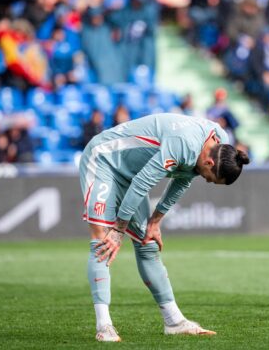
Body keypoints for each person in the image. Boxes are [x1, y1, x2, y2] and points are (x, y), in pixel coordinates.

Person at [79, 113, 249, 341]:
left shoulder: (219, 142)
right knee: (103, 240)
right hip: (104, 160)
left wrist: (155, 221)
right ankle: (104, 326)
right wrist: (119, 229)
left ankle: (174, 321)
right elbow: (143, 183)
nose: (207, 180)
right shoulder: (183, 143)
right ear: (209, 163)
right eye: (210, 178)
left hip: (132, 175)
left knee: (147, 244)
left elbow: (183, 179)